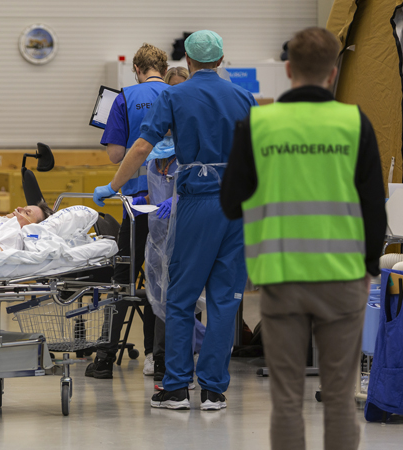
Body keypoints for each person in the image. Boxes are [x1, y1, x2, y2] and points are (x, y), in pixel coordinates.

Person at [221, 27, 386, 450]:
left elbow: (231, 203)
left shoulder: (259, 124)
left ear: (289, 70)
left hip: (281, 278)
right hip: (343, 278)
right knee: (338, 400)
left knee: (287, 402)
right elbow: (373, 207)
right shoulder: (354, 123)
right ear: (333, 73)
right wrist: (369, 267)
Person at [94, 30, 257, 410]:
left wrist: (112, 186)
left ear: (187, 59)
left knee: (181, 298)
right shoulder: (244, 97)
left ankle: (177, 388)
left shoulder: (174, 95)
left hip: (197, 204)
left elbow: (140, 147)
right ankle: (214, 390)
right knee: (225, 301)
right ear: (221, 60)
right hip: (237, 207)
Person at [87, 43, 171, 380]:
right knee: (161, 279)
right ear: (164, 69)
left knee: (123, 281)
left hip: (136, 205)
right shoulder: (177, 95)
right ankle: (157, 359)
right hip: (170, 204)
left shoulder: (124, 98)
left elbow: (115, 154)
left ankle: (104, 359)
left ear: (136, 68)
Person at [143, 66, 189, 381]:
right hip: (159, 237)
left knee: (185, 296)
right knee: (161, 296)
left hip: (186, 232)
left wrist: (177, 200)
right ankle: (160, 357)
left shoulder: (190, 151)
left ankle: (188, 355)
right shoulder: (154, 160)